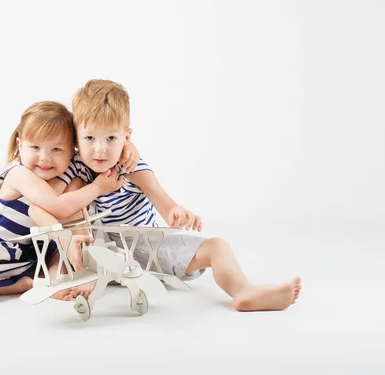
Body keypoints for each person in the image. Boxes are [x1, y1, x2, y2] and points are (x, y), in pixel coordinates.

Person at [29, 80, 302, 311]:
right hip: (97, 251)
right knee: (73, 196)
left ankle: (243, 290)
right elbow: (53, 204)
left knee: (217, 246)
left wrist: (176, 212)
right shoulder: (74, 169)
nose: (100, 150)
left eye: (111, 138)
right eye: (89, 139)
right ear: (76, 138)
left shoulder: (131, 166)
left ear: (127, 137)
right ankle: (79, 277)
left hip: (144, 245)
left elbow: (162, 200)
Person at [0, 101, 134, 297]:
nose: (45, 157)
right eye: (35, 147)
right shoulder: (18, 174)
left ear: (73, 149)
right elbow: (56, 206)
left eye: (57, 149)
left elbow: (103, 147)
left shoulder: (73, 170)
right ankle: (18, 286)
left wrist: (129, 146)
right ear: (20, 145)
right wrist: (97, 188)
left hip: (22, 253)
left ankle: (57, 276)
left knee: (61, 233)